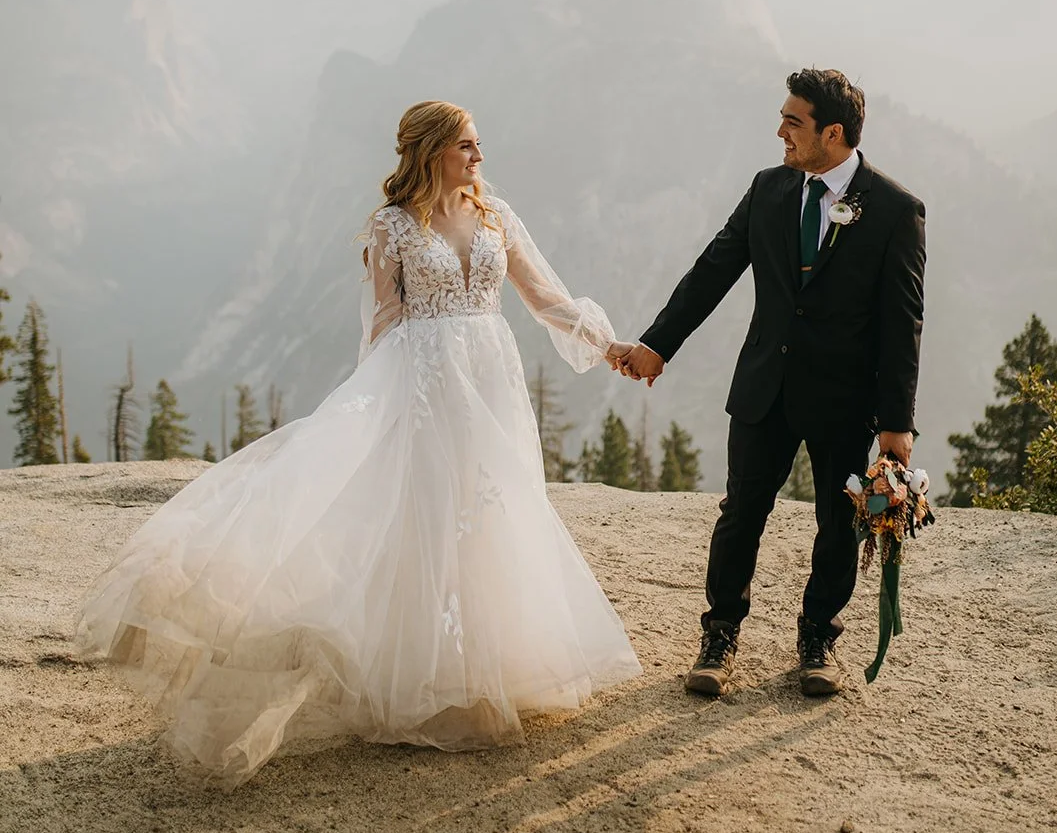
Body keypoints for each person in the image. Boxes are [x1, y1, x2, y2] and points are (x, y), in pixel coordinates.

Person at [77, 101, 640, 785]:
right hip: (426, 385)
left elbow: (543, 296)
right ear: (432, 150)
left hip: (492, 383)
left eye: (477, 144)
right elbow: (383, 324)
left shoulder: (497, 214)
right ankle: (423, 680)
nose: (479, 156)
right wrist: (370, 407)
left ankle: (495, 670)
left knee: (493, 515)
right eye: (467, 145)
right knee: (430, 521)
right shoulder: (392, 226)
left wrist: (607, 345)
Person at [614, 68, 925, 697]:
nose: (780, 131)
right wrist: (657, 345)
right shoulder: (768, 189)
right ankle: (720, 636)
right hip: (764, 387)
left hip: (844, 399)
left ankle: (818, 640)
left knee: (838, 524)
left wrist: (897, 422)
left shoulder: (895, 209)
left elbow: (903, 321)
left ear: (832, 133)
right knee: (740, 515)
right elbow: (713, 269)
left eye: (793, 121)